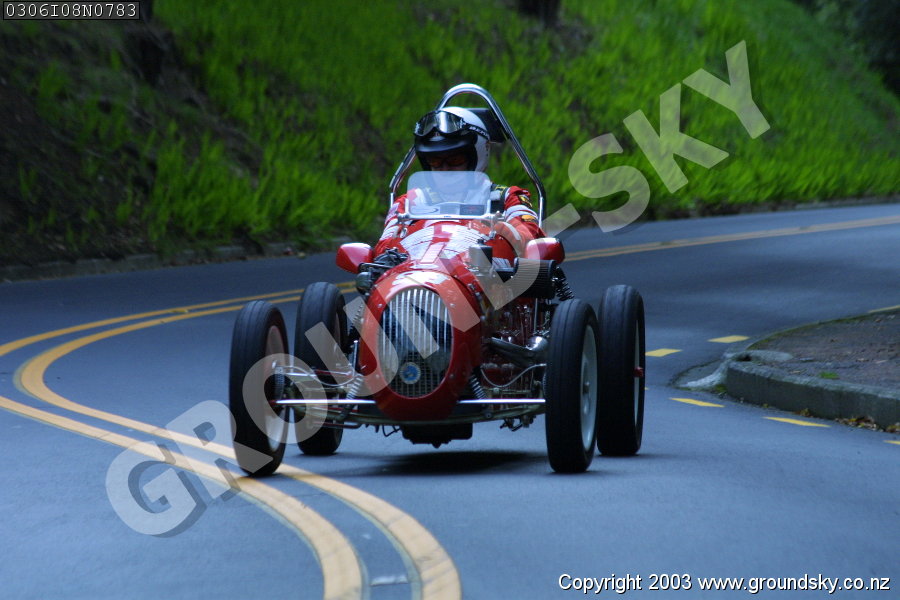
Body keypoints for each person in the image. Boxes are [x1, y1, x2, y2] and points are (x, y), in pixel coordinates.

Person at [374, 107, 544, 256]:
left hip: (486, 278)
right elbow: (383, 248)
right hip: (419, 275)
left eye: (455, 160)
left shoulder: (505, 198)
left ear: (476, 155)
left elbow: (532, 239)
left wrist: (505, 231)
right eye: (435, 161)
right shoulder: (410, 203)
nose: (444, 170)